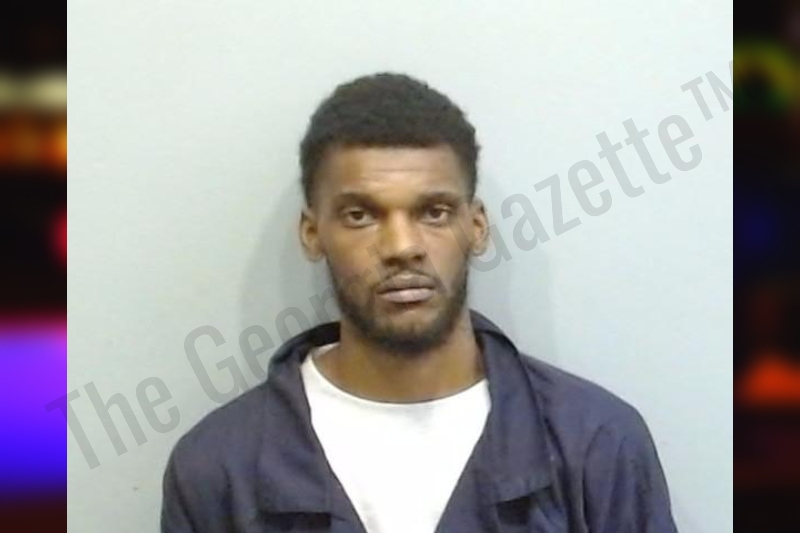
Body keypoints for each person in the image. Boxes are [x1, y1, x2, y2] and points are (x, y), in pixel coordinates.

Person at [161, 72, 678, 532]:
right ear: (312, 232)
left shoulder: (596, 444)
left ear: (476, 226)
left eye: (434, 212)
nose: (402, 246)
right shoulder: (217, 469)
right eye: (361, 215)